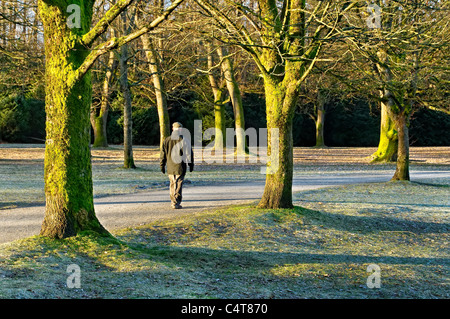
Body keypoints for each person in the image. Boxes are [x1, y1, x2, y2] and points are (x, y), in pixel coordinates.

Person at [160, 122, 194, 209]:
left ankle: (173, 201)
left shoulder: (166, 140)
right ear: (181, 129)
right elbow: (189, 154)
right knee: (178, 183)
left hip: (170, 166)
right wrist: (191, 165)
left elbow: (163, 154)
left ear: (172, 129)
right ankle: (176, 202)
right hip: (180, 166)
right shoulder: (184, 140)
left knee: (172, 183)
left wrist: (162, 165)